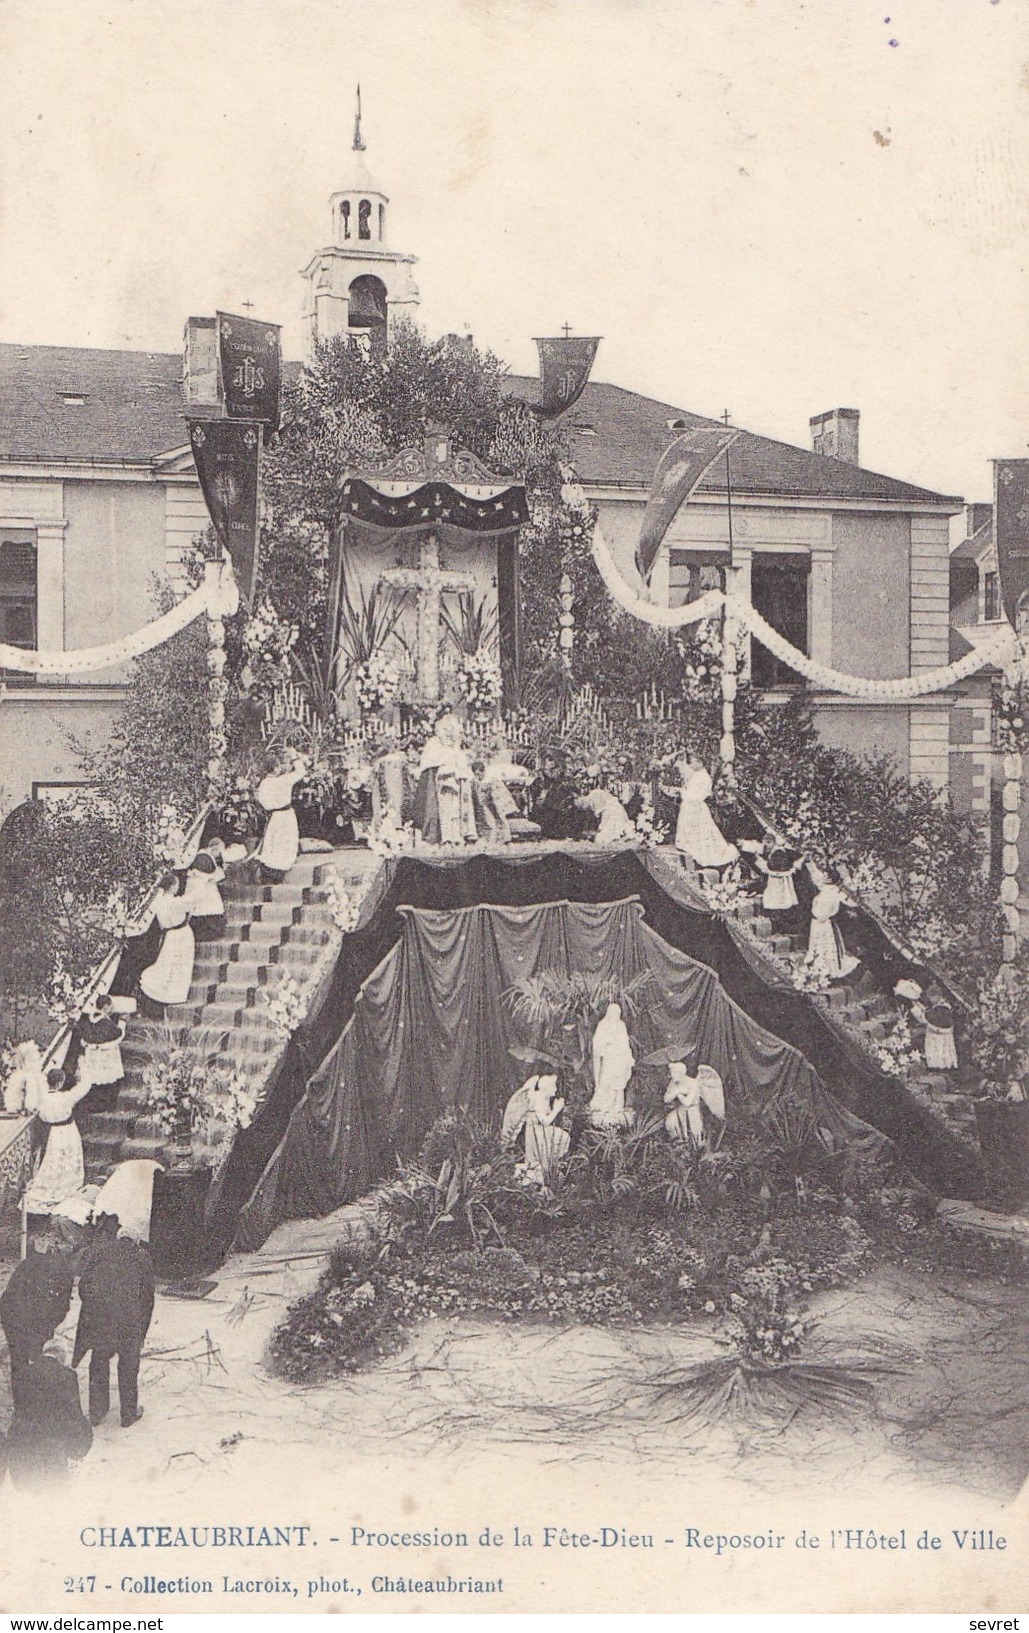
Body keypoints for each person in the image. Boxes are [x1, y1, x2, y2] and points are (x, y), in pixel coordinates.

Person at [73, 1216, 155, 1428]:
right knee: (128, 1365)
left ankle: (96, 1413)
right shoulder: (142, 1257)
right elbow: (147, 1299)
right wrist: (142, 1331)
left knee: (99, 1361)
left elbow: (83, 1286)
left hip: (101, 1317)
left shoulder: (99, 1251)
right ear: (135, 1241)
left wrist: (95, 1306)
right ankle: (128, 1415)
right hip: (129, 1320)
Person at [0, 1227, 77, 1407]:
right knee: (39, 1354)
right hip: (26, 1317)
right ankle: (38, 1396)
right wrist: (48, 1326)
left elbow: (9, 1293)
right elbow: (62, 1306)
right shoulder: (64, 1271)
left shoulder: (29, 1263)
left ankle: (22, 1399)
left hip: (13, 1316)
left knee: (20, 1356)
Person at [5, 1340, 92, 1488]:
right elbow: (74, 1414)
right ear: (61, 1356)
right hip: (54, 1444)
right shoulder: (68, 1375)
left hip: (25, 1443)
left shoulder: (22, 1375)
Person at [23, 1068, 92, 1212]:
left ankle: (46, 1196)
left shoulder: (40, 1098)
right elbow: (85, 1087)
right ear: (60, 1083)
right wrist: (81, 1075)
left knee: (50, 1162)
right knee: (66, 1163)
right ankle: (65, 1194)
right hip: (67, 1133)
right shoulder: (65, 1097)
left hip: (50, 1134)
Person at [412, 714, 477, 845]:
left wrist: (462, 772)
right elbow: (428, 763)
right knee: (445, 812)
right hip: (440, 785)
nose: (449, 733)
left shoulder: (455, 746)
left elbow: (462, 763)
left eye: (451, 730)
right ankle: (446, 837)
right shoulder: (433, 744)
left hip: (458, 784)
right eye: (446, 730)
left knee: (456, 811)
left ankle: (459, 836)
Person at [139, 872, 195, 1017]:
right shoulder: (176, 902)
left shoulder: (158, 902)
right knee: (180, 965)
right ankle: (177, 994)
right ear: (171, 886)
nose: (178, 887)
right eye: (176, 884)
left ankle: (168, 993)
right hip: (182, 934)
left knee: (168, 963)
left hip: (168, 935)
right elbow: (191, 907)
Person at [669, 754, 738, 869]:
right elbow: (689, 787)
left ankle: (700, 850)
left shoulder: (705, 777)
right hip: (689, 806)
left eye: (694, 762)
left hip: (696, 807)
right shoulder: (696, 774)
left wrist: (685, 795)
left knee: (700, 831)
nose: (691, 764)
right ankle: (686, 844)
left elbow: (701, 795)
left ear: (700, 763)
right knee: (688, 827)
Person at [502, 1073, 570, 1182]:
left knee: (563, 1136)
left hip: (541, 1131)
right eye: (554, 1086)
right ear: (546, 1088)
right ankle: (540, 1167)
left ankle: (548, 1165)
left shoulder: (545, 1098)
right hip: (536, 1133)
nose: (556, 1089)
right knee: (562, 1136)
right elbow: (545, 1121)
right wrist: (557, 1109)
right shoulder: (538, 1099)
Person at [254, 754, 307, 881]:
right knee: (285, 843)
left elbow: (262, 801)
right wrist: (295, 757)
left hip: (274, 816)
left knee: (273, 843)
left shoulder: (263, 784)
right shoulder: (283, 780)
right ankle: (279, 870)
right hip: (286, 816)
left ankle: (270, 869)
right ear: (276, 768)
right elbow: (301, 772)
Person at [804, 864, 859, 980]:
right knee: (816, 943)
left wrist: (852, 885)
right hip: (816, 921)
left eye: (824, 875)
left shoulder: (835, 891)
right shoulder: (824, 888)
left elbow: (852, 902)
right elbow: (815, 875)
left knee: (826, 945)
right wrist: (810, 864)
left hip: (825, 923)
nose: (822, 877)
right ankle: (818, 966)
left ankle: (827, 969)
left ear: (829, 878)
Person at [76, 994, 126, 1111]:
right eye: (110, 1007)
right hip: (105, 1055)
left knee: (95, 1080)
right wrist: (122, 1022)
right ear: (105, 1007)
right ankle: (106, 1106)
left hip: (92, 1055)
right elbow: (117, 1034)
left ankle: (95, 1106)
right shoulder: (105, 1023)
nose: (111, 1009)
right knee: (108, 1080)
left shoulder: (89, 1020)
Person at [589, 1003, 635, 1128]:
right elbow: (597, 1044)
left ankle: (616, 1106)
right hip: (609, 1058)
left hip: (620, 1059)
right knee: (607, 1080)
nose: (615, 1016)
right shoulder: (603, 1025)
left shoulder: (621, 1025)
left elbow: (625, 1043)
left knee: (619, 1083)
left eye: (617, 1014)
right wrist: (607, 1042)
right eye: (613, 1013)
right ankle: (605, 1106)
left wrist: (629, 1058)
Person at [664, 1061, 725, 1147]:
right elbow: (666, 1099)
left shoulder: (693, 1083)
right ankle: (679, 1144)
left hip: (692, 1110)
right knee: (670, 1123)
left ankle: (695, 1150)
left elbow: (688, 1102)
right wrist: (677, 1092)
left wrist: (678, 1093)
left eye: (673, 1073)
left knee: (694, 1134)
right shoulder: (673, 1082)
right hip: (680, 1109)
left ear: (680, 1073)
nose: (672, 1076)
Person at [180, 839, 227, 941]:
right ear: (213, 848)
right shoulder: (203, 857)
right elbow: (203, 874)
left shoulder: (207, 856)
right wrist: (216, 875)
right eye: (218, 851)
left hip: (205, 888)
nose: (219, 855)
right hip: (201, 889)